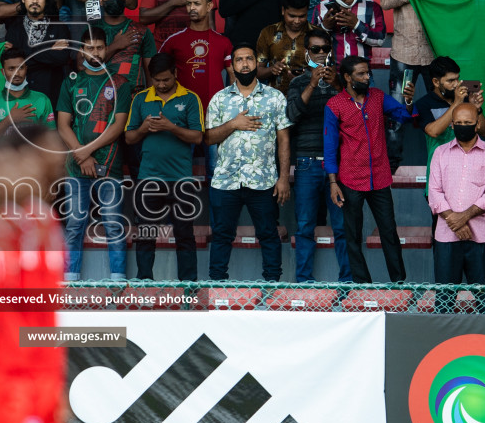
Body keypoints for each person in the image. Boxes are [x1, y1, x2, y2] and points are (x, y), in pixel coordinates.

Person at [324, 56, 414, 283]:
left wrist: (409, 101)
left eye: (368, 73)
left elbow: (404, 116)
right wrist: (333, 183)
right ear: (346, 77)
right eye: (361, 74)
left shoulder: (378, 97)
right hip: (350, 179)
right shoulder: (334, 105)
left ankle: (399, 283)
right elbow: (330, 146)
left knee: (389, 233)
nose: (367, 78)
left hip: (380, 178)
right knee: (352, 236)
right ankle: (363, 287)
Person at [207, 42, 291, 282]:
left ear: (257, 63)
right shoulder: (219, 99)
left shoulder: (275, 98)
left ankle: (272, 287)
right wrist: (233, 124)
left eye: (249, 59)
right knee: (222, 235)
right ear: (232, 66)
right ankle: (217, 287)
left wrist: (283, 178)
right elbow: (208, 137)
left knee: (268, 234)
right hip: (225, 181)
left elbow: (284, 139)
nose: (245, 64)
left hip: (263, 181)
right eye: (239, 60)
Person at [56, 31, 131, 281]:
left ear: (106, 49)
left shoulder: (120, 82)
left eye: (99, 48)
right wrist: (83, 157)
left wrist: (86, 152)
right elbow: (63, 125)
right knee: (75, 224)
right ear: (81, 51)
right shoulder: (71, 82)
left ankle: (117, 281)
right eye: (89, 48)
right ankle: (70, 279)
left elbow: (118, 126)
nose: (95, 53)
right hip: (76, 168)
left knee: (112, 224)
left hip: (110, 164)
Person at [126, 52, 202, 281]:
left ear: (176, 74)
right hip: (149, 178)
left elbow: (198, 137)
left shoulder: (190, 98)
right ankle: (144, 284)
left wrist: (171, 127)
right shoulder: (140, 99)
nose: (161, 84)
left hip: (181, 180)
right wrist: (143, 129)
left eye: (166, 80)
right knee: (146, 235)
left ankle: (188, 287)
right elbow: (129, 138)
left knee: (184, 235)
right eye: (156, 80)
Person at [286, 31, 350, 283]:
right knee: (304, 227)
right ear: (306, 53)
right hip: (307, 162)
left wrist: (336, 86)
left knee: (343, 226)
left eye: (324, 49)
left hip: (339, 162)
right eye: (315, 49)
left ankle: (347, 282)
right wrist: (312, 84)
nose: (320, 53)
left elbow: (353, 114)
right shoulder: (298, 82)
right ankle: (304, 282)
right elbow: (290, 116)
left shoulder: (342, 82)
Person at [427, 101, 485, 299]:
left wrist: (462, 217)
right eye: (458, 122)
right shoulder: (440, 152)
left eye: (467, 122)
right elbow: (434, 192)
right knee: (444, 300)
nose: (463, 126)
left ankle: (483, 332)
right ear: (452, 124)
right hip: (446, 237)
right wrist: (456, 221)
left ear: (477, 124)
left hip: (480, 237)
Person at [159, 0, 233, 110]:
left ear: (209, 6)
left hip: (215, 112)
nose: (192, 8)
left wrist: (230, 107)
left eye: (197, 4)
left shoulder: (224, 42)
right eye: (189, 4)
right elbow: (159, 75)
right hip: (181, 111)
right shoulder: (173, 41)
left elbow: (233, 77)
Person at [1, 0, 74, 102]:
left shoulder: (59, 27)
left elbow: (62, 58)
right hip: (22, 97)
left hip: (52, 96)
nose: (35, 1)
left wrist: (25, 53)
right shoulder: (14, 28)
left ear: (46, 0)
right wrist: (49, 50)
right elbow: (13, 63)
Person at [412, 56, 485, 168]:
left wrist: (476, 108)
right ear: (436, 82)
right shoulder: (424, 104)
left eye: (457, 79)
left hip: (468, 165)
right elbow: (433, 131)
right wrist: (457, 103)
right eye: (450, 81)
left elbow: (484, 131)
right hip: (440, 166)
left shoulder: (467, 100)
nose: (456, 84)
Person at [93, 0, 154, 90]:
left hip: (133, 98)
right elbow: (82, 66)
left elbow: (151, 72)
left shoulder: (141, 31)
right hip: (99, 98)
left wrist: (151, 101)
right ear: (101, 1)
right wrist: (115, 45)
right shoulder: (92, 30)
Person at [0, 49, 56, 138]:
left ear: (26, 69)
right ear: (3, 72)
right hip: (3, 152)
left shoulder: (42, 99)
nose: (17, 73)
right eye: (11, 69)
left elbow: (52, 137)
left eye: (20, 68)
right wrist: (8, 121)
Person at [314, 0, 386, 62]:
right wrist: (325, 27)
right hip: (331, 71)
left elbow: (380, 40)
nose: (349, 0)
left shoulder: (372, 7)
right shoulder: (321, 8)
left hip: (361, 71)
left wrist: (357, 25)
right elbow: (311, 44)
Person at [256, 0, 313, 94]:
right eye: (292, 16)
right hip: (276, 99)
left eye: (302, 16)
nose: (297, 21)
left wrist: (308, 74)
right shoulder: (268, 33)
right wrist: (272, 69)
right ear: (283, 10)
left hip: (309, 99)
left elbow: (327, 70)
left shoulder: (317, 34)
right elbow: (258, 72)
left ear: (307, 11)